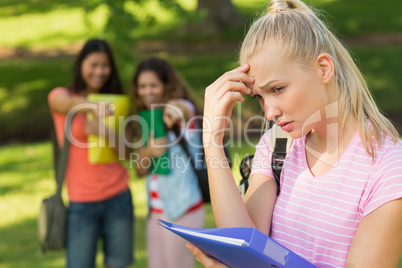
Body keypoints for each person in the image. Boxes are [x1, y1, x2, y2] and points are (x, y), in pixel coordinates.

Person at [185, 0, 402, 267]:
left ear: (323, 68)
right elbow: (245, 245)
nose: (269, 112)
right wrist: (212, 142)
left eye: (277, 89)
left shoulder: (389, 169)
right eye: (259, 97)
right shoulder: (278, 145)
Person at [48, 39, 134, 268]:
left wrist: (105, 131)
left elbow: (128, 153)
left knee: (118, 264)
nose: (99, 71)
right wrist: (92, 107)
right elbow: (62, 103)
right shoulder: (63, 95)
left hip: (118, 197)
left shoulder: (116, 102)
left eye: (105, 65)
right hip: (82, 202)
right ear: (81, 64)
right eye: (93, 64)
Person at [131, 57, 205, 268]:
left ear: (166, 85)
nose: (147, 91)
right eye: (142, 86)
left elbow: (184, 108)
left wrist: (173, 110)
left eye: (153, 85)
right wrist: (147, 152)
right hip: (156, 212)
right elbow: (139, 171)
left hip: (183, 210)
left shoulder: (184, 119)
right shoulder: (146, 119)